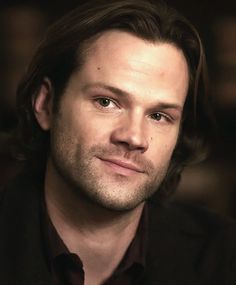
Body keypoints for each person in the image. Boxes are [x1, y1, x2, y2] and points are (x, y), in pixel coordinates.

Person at [0, 0, 236, 284]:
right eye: (107, 102)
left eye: (159, 116)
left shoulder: (224, 257)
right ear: (47, 104)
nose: (134, 137)